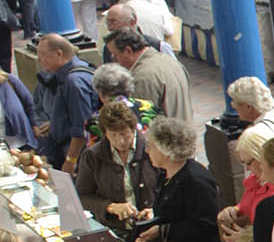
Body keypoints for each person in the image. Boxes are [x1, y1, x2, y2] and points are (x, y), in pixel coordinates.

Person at [74, 98, 154, 227]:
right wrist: (110, 207)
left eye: (124, 134)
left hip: (151, 227)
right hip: (115, 228)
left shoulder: (151, 149)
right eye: (113, 135)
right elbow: (82, 196)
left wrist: (154, 210)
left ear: (133, 129)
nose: (120, 141)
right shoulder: (92, 156)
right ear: (105, 133)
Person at [32, 34, 96, 169]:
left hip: (76, 153)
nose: (39, 60)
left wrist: (70, 161)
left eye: (42, 55)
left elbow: (81, 126)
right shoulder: (67, 75)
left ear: (59, 54)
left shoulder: (74, 82)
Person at [103, 27, 190, 126]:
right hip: (184, 133)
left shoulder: (142, 78)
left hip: (167, 137)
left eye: (115, 55)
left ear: (128, 51)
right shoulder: (170, 61)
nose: (114, 60)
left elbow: (141, 122)